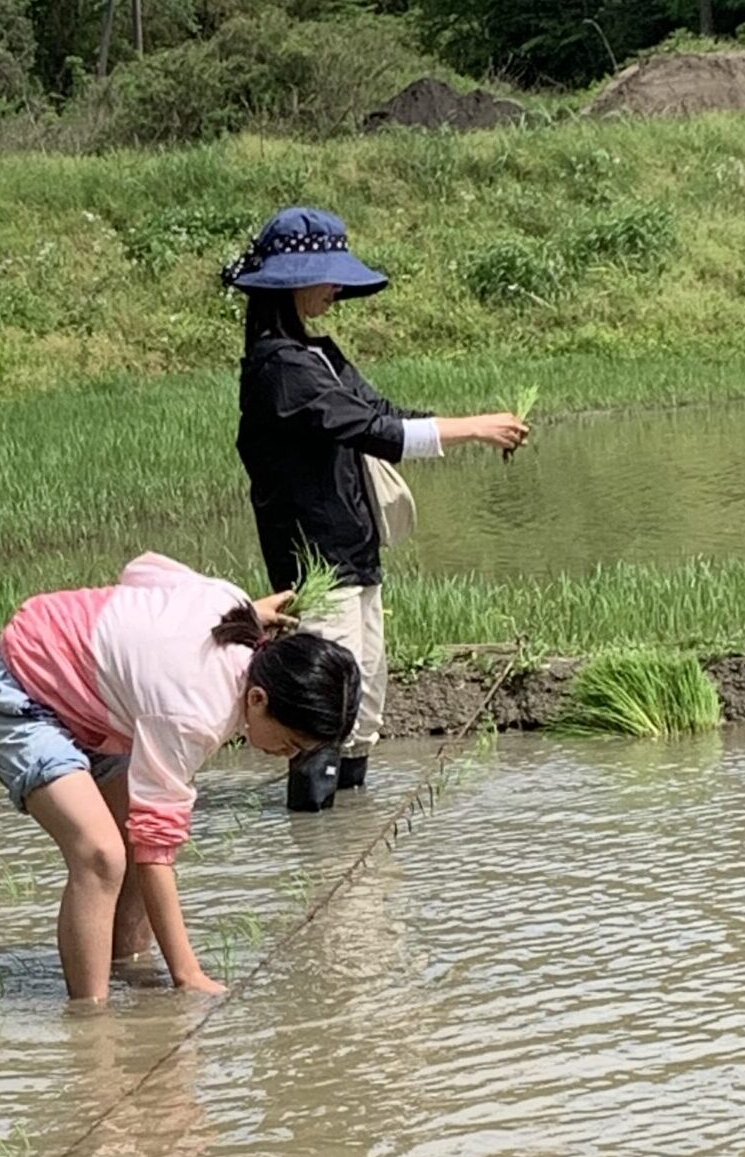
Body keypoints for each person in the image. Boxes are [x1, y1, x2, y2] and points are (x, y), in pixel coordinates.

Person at [226, 206, 530, 812]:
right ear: (291, 281)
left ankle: (342, 836)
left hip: (355, 560)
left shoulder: (321, 356)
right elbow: (373, 431)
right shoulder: (279, 372)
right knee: (318, 717)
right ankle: (315, 843)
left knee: (360, 710)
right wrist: (471, 429)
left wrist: (471, 425)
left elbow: (387, 415)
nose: (336, 286)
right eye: (326, 274)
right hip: (315, 569)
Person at [0, 551, 361, 1002]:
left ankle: (131, 974)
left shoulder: (231, 606)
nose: (284, 757)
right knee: (100, 855)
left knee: (129, 854)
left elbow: (141, 568)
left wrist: (249, 611)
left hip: (98, 705)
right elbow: (158, 847)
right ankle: (91, 1025)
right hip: (20, 689)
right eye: (289, 744)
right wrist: (188, 972)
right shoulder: (195, 713)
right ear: (257, 698)